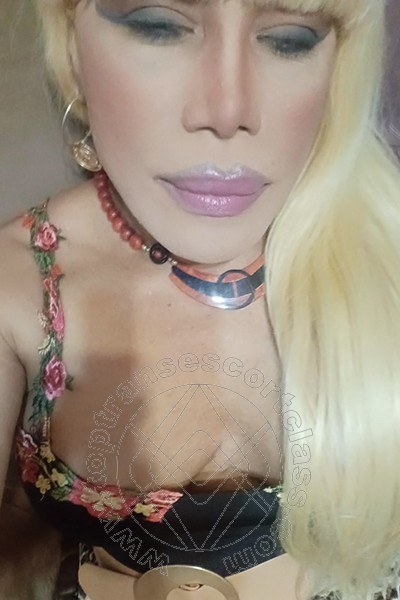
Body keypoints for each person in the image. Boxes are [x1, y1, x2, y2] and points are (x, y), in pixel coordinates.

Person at [1, 0, 400, 598]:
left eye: (290, 39)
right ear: (72, 51)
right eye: (158, 27)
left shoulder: (387, 256)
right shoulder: (21, 283)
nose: (228, 110)